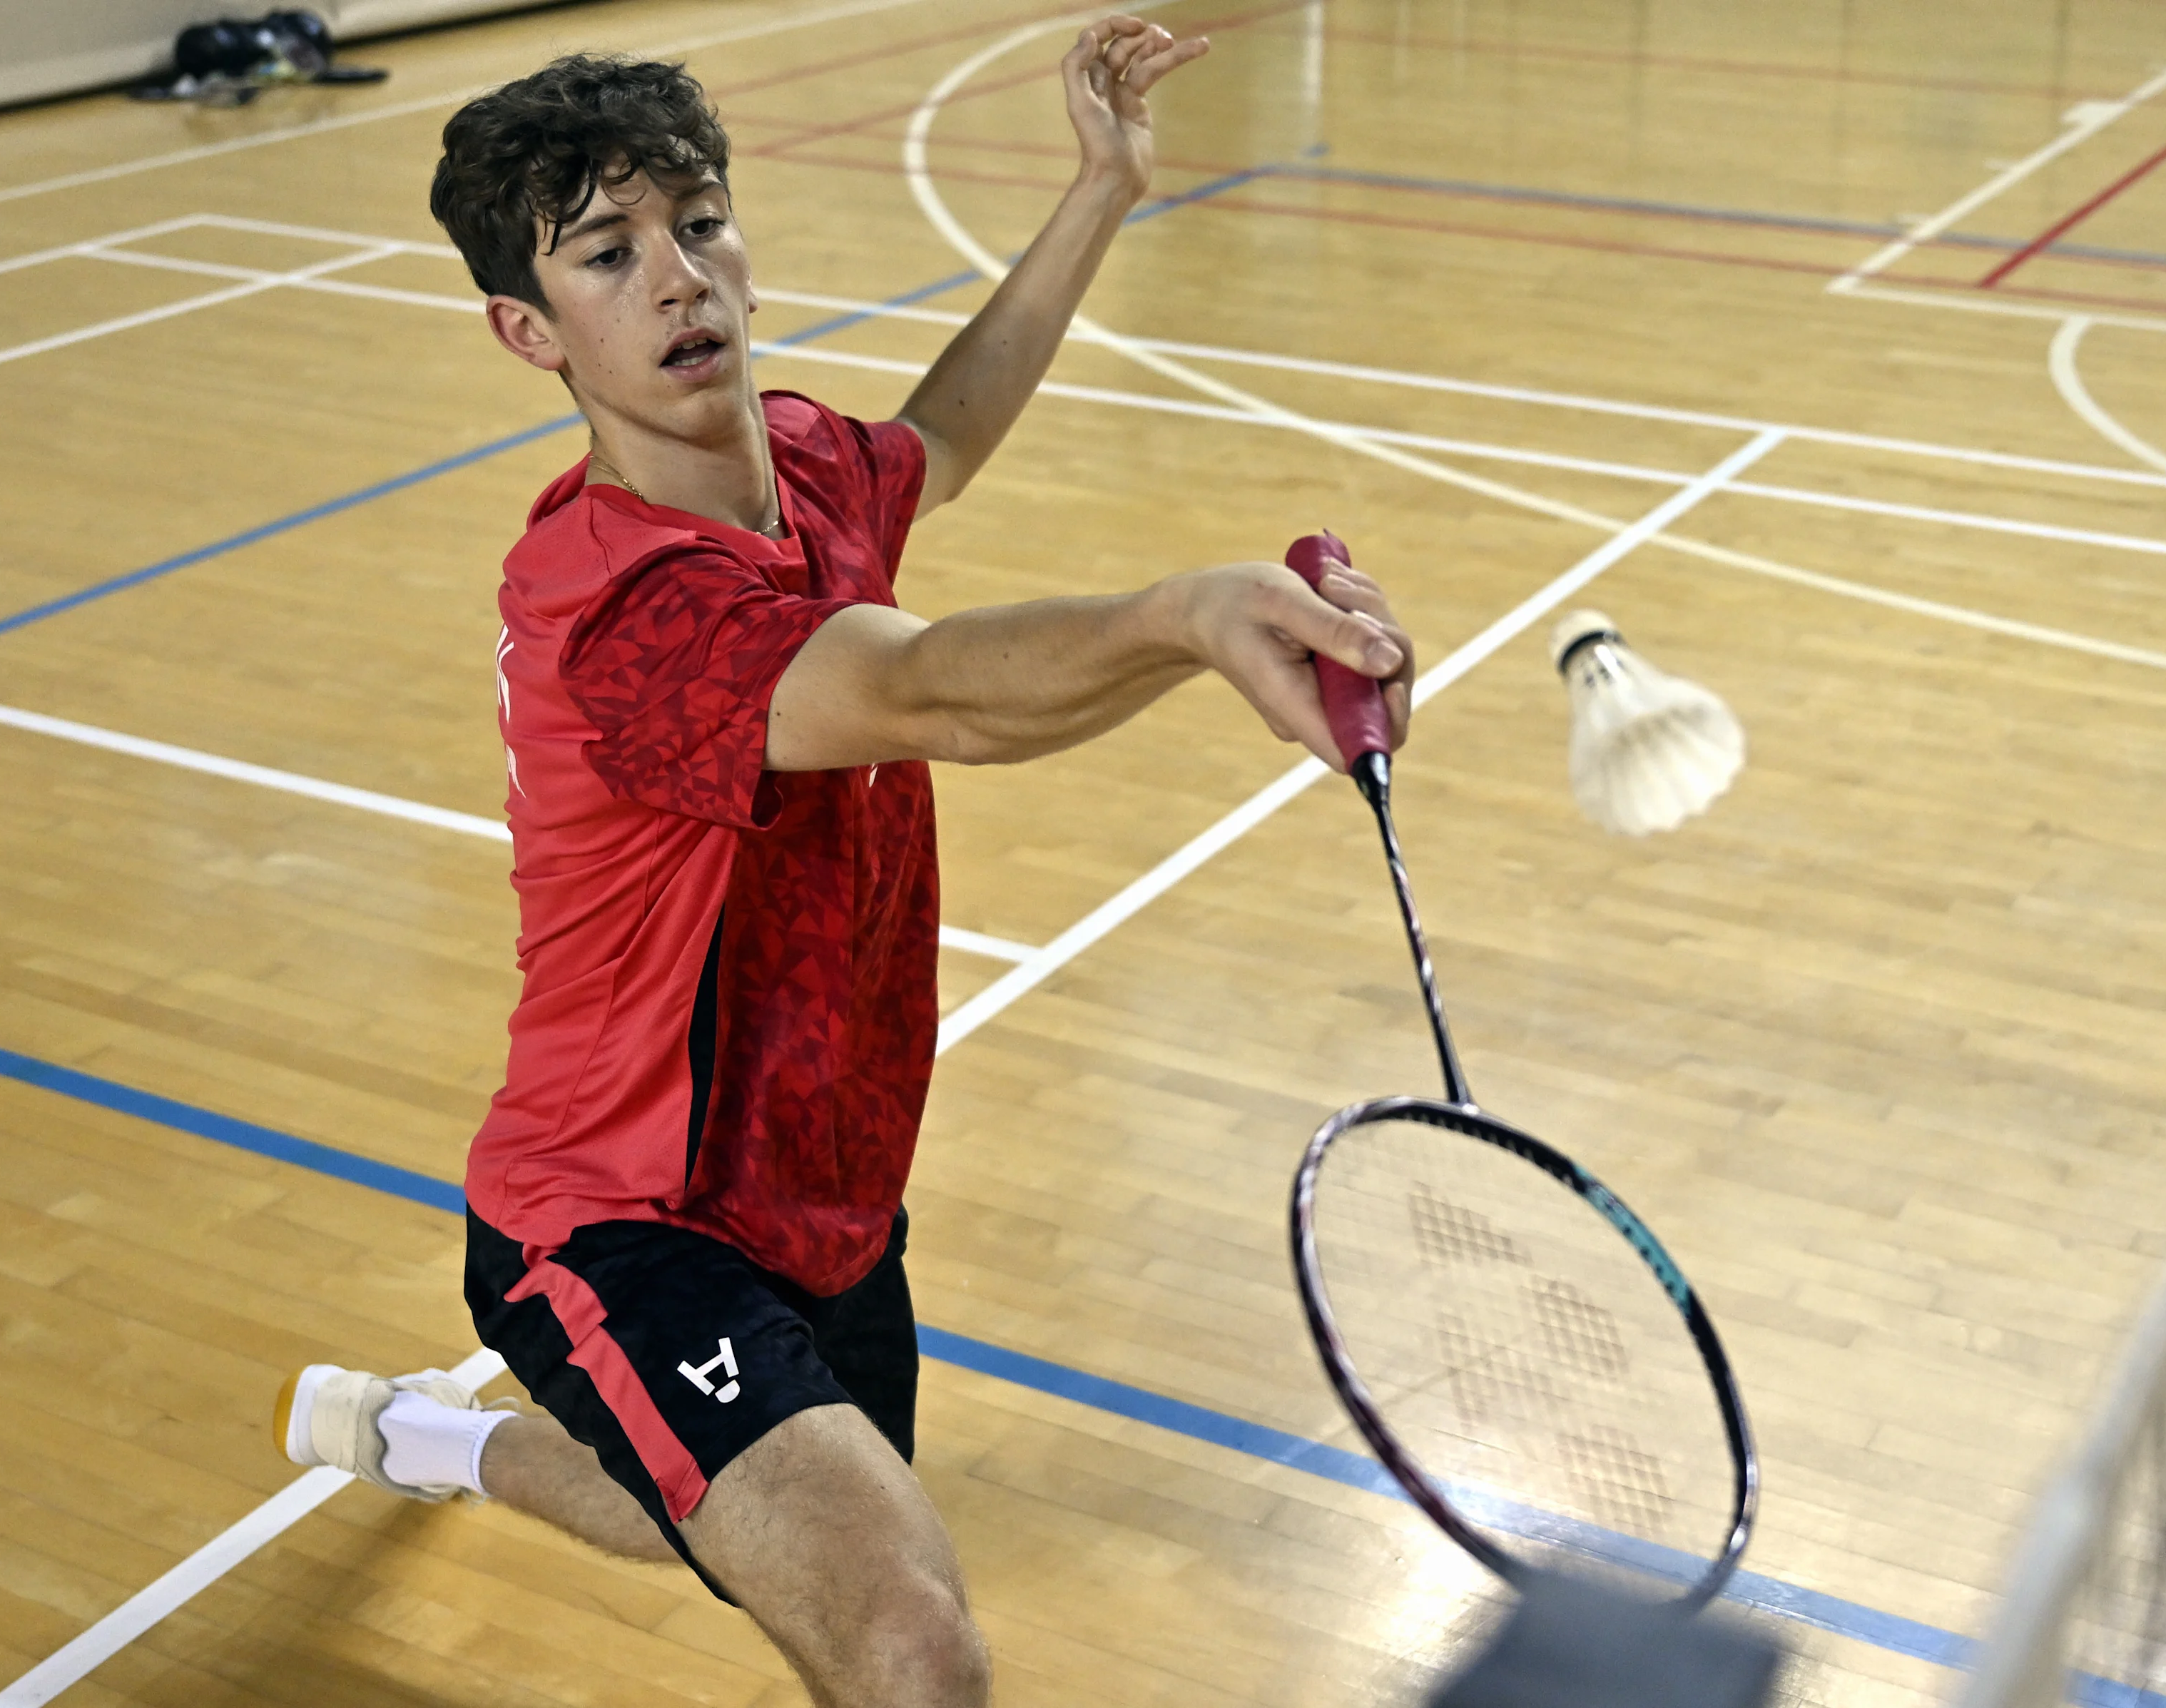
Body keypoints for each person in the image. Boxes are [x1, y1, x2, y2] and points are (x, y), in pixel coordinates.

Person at [271, 22, 1413, 1705]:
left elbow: (934, 441)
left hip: (825, 1193)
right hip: (622, 1220)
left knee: (724, 1526)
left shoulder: (798, 464)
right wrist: (1181, 615)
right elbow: (926, 687)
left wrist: (1103, 187)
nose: (680, 281)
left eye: (701, 224)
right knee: (906, 1640)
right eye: (608, 254)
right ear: (529, 330)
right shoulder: (623, 616)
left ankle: (436, 1442)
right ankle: (457, 1426)